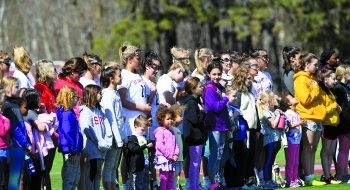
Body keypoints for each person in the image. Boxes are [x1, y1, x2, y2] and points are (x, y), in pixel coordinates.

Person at [118, 42, 150, 190]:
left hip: (141, 120)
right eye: (138, 58)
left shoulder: (137, 75)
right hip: (131, 121)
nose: (140, 60)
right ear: (130, 59)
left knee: (140, 155)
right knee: (129, 154)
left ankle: (138, 184)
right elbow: (124, 100)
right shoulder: (124, 75)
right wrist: (142, 107)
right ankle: (126, 185)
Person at [294, 53, 326, 186]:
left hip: (318, 117)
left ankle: (312, 176)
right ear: (307, 64)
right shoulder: (301, 79)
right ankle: (308, 178)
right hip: (308, 116)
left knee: (314, 148)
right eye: (315, 64)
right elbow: (305, 100)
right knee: (309, 147)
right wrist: (314, 88)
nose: (317, 67)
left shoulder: (313, 78)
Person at [203, 61, 232, 189]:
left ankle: (218, 180)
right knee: (214, 156)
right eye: (214, 74)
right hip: (215, 126)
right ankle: (212, 183)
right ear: (209, 74)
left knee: (220, 156)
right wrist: (226, 98)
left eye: (219, 74)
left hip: (222, 126)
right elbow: (215, 107)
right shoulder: (209, 89)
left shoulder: (219, 87)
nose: (216, 76)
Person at [1, 76, 31, 190]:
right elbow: (15, 128)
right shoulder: (10, 106)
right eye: (16, 86)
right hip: (15, 145)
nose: (18, 88)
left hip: (17, 144)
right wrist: (26, 143)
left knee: (14, 178)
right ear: (8, 87)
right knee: (13, 178)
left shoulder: (13, 104)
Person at [80, 84, 112, 190]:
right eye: (99, 93)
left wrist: (107, 141)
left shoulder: (100, 111)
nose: (101, 95)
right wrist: (98, 142)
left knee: (98, 172)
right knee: (92, 171)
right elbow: (87, 129)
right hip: (92, 147)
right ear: (92, 94)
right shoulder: (86, 111)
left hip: (102, 148)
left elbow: (107, 126)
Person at [231, 66, 259, 187]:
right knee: (243, 155)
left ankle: (248, 179)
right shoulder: (238, 93)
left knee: (250, 156)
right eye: (248, 78)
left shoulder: (250, 93)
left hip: (252, 129)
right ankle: (240, 181)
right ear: (242, 78)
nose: (250, 80)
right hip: (243, 130)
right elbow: (236, 111)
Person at [100, 65, 126, 190]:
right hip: (113, 138)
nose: (121, 77)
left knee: (114, 166)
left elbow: (120, 118)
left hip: (119, 136)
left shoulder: (115, 93)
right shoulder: (108, 95)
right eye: (119, 75)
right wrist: (118, 139)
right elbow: (111, 119)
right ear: (111, 78)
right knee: (109, 165)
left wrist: (123, 135)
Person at [179, 77, 207, 190]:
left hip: (197, 137)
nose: (202, 88)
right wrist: (202, 112)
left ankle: (195, 185)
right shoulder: (191, 103)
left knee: (196, 163)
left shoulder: (196, 100)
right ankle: (194, 186)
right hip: (193, 138)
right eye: (200, 86)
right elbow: (195, 120)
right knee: (194, 164)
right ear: (193, 89)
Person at [140, 50, 162, 188]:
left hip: (154, 127)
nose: (156, 70)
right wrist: (152, 93)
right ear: (147, 66)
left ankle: (153, 183)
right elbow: (145, 105)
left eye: (159, 68)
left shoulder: (154, 83)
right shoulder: (142, 82)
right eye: (155, 67)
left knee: (153, 158)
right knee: (144, 159)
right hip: (144, 127)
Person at [317, 69, 342, 184]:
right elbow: (323, 110)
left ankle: (329, 175)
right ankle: (326, 176)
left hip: (334, 124)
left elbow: (336, 107)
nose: (335, 81)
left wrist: (338, 108)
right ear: (325, 79)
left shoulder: (330, 92)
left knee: (331, 151)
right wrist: (333, 106)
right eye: (333, 78)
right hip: (327, 124)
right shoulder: (321, 92)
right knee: (326, 150)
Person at [56, 86, 83, 190]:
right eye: (76, 97)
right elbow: (68, 133)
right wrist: (72, 150)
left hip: (74, 150)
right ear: (70, 98)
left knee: (75, 179)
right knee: (70, 180)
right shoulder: (66, 114)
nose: (78, 99)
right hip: (71, 151)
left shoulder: (70, 112)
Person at [224, 86, 248, 189]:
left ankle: (238, 182)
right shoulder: (226, 107)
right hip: (232, 139)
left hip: (241, 139)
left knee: (239, 161)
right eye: (234, 96)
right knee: (231, 162)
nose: (236, 98)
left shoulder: (235, 107)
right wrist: (234, 116)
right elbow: (228, 122)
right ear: (226, 96)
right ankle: (231, 183)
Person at [256, 90, 282, 189]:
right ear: (269, 101)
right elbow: (273, 124)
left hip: (275, 139)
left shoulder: (270, 112)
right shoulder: (266, 113)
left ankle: (270, 180)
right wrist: (278, 115)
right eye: (273, 100)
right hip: (270, 140)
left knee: (270, 161)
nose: (275, 103)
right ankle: (267, 181)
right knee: (268, 161)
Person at [280, 95, 304, 188]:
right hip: (290, 141)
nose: (295, 98)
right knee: (291, 162)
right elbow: (287, 127)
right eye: (292, 98)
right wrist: (299, 123)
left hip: (297, 141)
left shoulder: (296, 113)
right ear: (288, 103)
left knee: (296, 162)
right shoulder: (288, 113)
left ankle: (295, 179)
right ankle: (290, 180)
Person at [153, 105, 179, 190]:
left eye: (171, 118)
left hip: (171, 159)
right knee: (164, 178)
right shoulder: (160, 131)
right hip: (164, 159)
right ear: (161, 119)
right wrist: (169, 155)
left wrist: (175, 154)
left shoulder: (171, 131)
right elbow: (160, 146)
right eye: (168, 119)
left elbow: (176, 144)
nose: (170, 121)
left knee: (171, 179)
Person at [332, 65, 350, 182]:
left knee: (346, 149)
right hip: (343, 122)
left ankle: (344, 172)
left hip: (348, 121)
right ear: (344, 74)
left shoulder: (346, 88)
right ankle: (340, 174)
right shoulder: (338, 88)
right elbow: (339, 106)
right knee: (343, 149)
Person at [125, 115, 153, 190]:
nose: (144, 132)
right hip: (137, 166)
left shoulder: (144, 137)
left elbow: (146, 151)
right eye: (142, 130)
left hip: (146, 164)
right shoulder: (133, 138)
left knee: (145, 184)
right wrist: (145, 146)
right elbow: (133, 149)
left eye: (145, 130)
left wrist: (150, 148)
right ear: (136, 126)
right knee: (137, 184)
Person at [169, 104, 184, 190]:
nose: (182, 117)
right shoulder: (171, 130)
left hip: (179, 159)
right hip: (174, 159)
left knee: (175, 179)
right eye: (180, 115)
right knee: (172, 179)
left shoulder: (177, 129)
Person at [0, 89, 10, 190]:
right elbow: (2, 131)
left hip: (4, 150)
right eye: (4, 98)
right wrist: (6, 121)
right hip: (1, 151)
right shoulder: (2, 118)